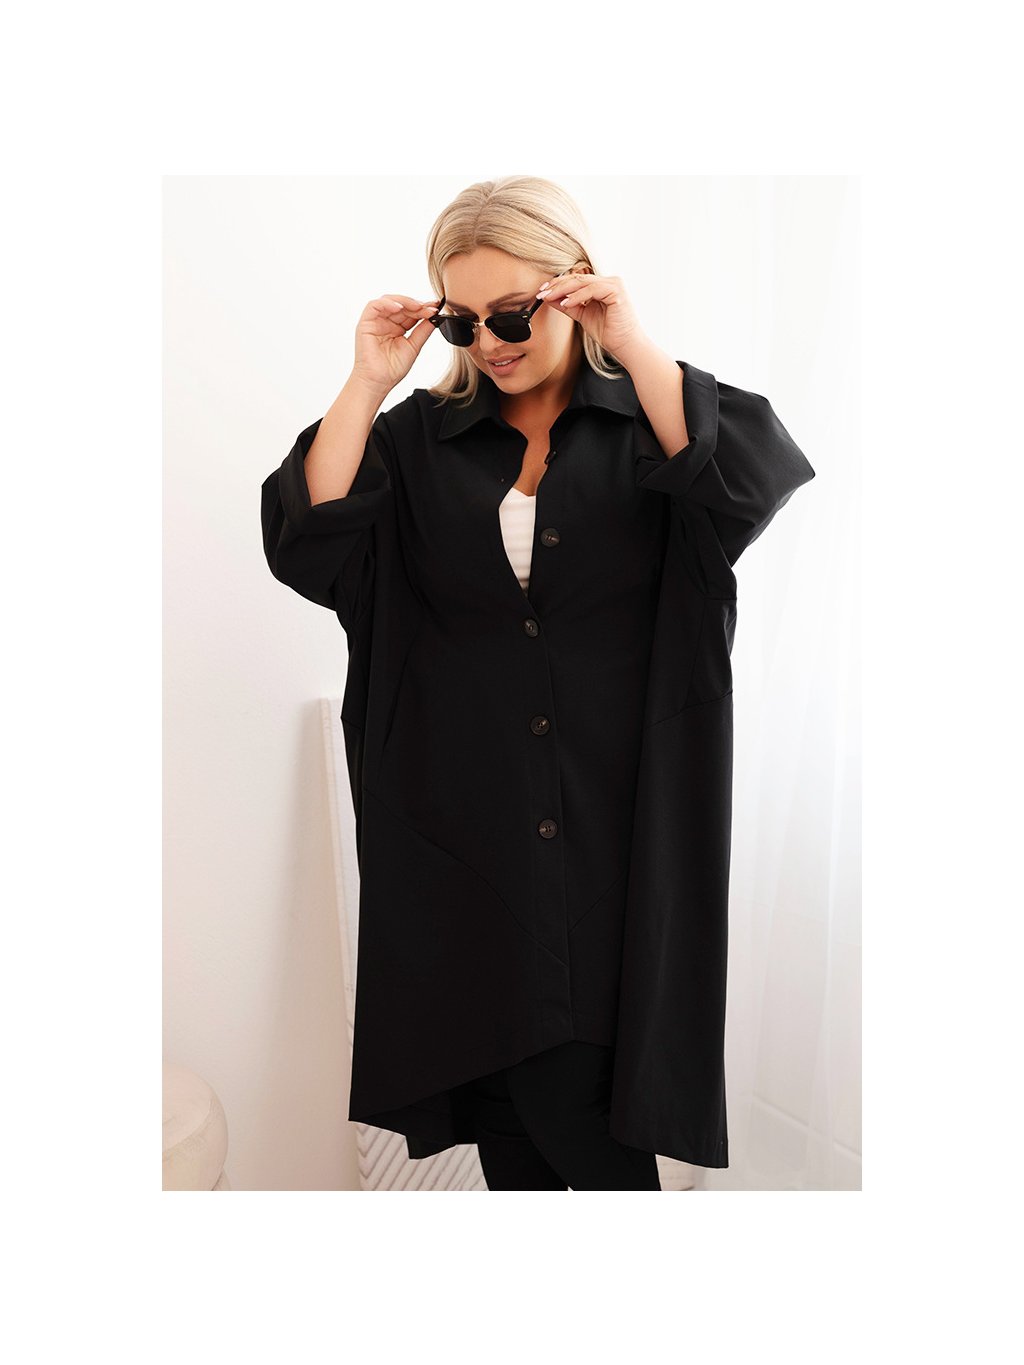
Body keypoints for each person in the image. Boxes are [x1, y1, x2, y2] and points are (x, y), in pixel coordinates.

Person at [261, 175, 816, 1191]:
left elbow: (748, 479)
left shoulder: (649, 421)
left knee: (586, 1112)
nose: (490, 342)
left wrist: (632, 342)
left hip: (620, 834)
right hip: (464, 840)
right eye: (461, 322)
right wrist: (367, 381)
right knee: (509, 1131)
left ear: (572, 287)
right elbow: (308, 540)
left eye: (512, 313)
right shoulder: (415, 443)